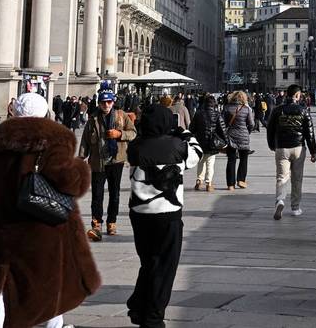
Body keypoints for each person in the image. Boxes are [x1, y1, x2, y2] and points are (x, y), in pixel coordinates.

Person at [0, 93, 101, 328]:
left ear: (14, 113)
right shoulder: (54, 143)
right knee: (46, 281)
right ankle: (54, 326)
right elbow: (72, 184)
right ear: (45, 113)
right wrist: (80, 167)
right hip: (40, 228)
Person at [126, 104, 202, 328]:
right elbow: (196, 153)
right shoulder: (177, 146)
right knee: (165, 266)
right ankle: (153, 317)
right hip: (167, 214)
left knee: (148, 261)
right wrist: (185, 133)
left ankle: (139, 305)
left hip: (139, 214)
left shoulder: (135, 147)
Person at [80, 86, 137, 241]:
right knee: (97, 194)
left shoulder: (121, 116)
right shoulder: (93, 119)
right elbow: (85, 141)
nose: (106, 105)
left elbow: (133, 133)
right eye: (103, 102)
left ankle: (112, 222)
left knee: (114, 193)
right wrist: (81, 158)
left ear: (113, 102)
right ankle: (96, 223)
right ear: (99, 103)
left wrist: (120, 134)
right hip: (98, 161)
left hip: (116, 160)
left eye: (109, 102)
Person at [268, 84, 316, 218]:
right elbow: (310, 133)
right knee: (297, 178)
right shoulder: (303, 110)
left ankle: (280, 200)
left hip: (282, 148)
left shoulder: (277, 110)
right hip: (298, 148)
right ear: (296, 95)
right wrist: (313, 151)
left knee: (281, 177)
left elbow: (270, 129)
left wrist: (272, 145)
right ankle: (295, 207)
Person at [191, 94, 229, 192]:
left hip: (200, 141)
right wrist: (226, 141)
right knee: (210, 163)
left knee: (201, 161)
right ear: (214, 104)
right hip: (212, 142)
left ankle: (199, 181)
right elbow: (223, 129)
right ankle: (209, 183)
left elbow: (192, 128)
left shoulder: (198, 114)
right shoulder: (217, 114)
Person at [223, 90, 255, 190]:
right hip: (243, 136)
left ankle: (230, 184)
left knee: (231, 160)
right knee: (244, 159)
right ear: (243, 98)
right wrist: (247, 132)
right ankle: (241, 180)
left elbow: (223, 123)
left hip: (231, 136)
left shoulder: (227, 108)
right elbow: (251, 124)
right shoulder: (246, 109)